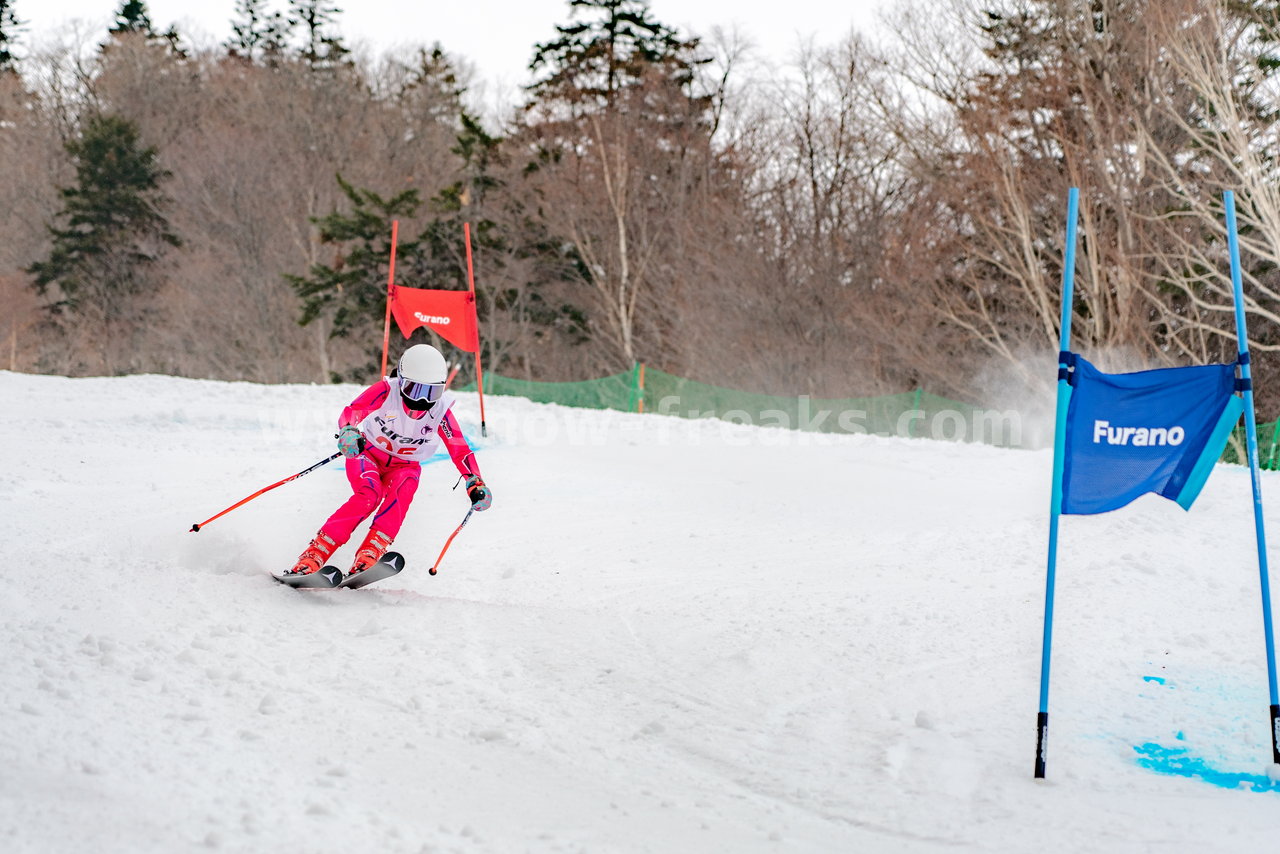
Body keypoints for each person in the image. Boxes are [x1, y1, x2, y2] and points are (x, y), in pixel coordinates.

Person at [284, 344, 491, 578]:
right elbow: (354, 410)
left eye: (431, 393)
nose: (422, 400)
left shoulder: (441, 411)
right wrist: (348, 430)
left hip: (405, 465)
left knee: (405, 486)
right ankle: (314, 555)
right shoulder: (386, 391)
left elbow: (459, 448)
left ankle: (370, 553)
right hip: (368, 454)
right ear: (401, 380)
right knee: (369, 495)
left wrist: (475, 481)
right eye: (414, 389)